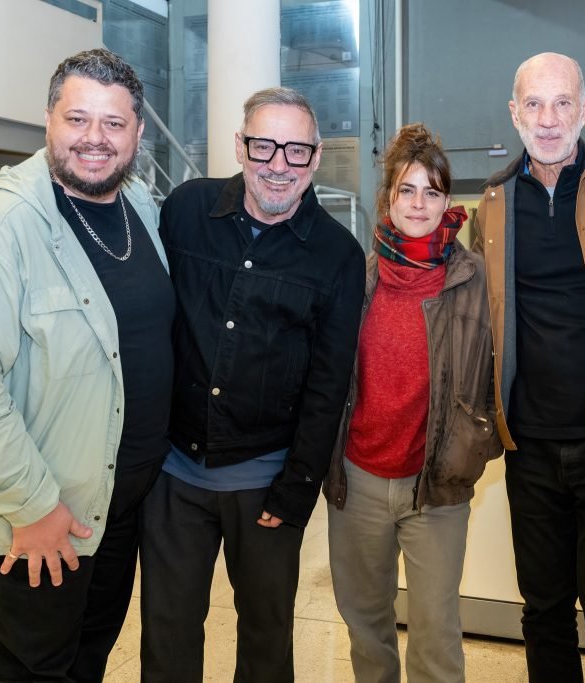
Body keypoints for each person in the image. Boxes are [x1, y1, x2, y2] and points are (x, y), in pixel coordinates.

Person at [0, 48, 173, 682]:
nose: (94, 139)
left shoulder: (138, 208)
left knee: (80, 665)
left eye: (114, 124)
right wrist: (32, 507)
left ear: (138, 133)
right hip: (26, 526)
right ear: (48, 121)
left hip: (108, 513)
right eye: (77, 118)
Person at [140, 86, 366, 683]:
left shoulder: (338, 255)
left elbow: (329, 382)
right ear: (240, 146)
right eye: (264, 145)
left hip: (266, 484)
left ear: (315, 159)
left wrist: (296, 490)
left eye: (296, 151)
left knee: (266, 642)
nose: (278, 164)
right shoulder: (186, 210)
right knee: (167, 634)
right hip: (172, 477)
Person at [471, 52, 585, 682]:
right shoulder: (492, 205)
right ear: (513, 112)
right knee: (544, 609)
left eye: (562, 104)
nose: (548, 120)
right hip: (529, 447)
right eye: (534, 104)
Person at [324, 123, 501, 683]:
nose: (419, 203)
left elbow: (499, 375)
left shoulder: (474, 280)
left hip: (437, 489)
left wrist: (473, 449)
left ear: (449, 201)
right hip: (358, 483)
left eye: (432, 191)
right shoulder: (357, 276)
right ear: (388, 199)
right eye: (407, 190)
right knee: (366, 627)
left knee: (436, 637)